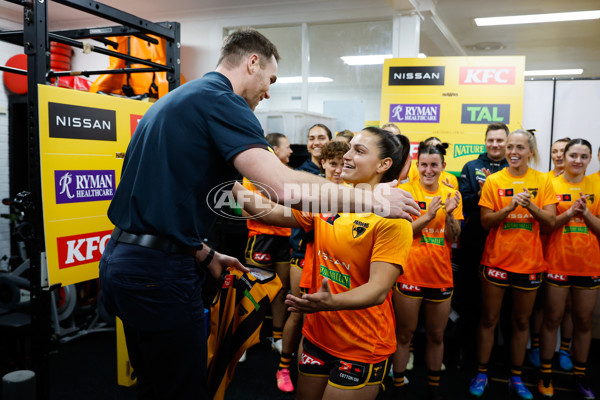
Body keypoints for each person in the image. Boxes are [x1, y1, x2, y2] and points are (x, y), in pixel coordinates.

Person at [98, 28, 419, 400]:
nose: (268, 92)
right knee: (180, 389)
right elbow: (283, 190)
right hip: (158, 273)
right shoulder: (222, 102)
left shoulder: (178, 100)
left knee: (157, 384)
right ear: (253, 62)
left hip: (127, 262)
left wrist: (204, 252)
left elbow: (212, 196)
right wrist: (376, 201)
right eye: (270, 80)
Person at [236, 127, 414, 400]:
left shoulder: (393, 218)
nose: (347, 155)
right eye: (349, 147)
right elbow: (272, 212)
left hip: (362, 346)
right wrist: (230, 183)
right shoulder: (333, 199)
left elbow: (378, 289)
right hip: (317, 335)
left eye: (359, 150)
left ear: (384, 164)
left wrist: (332, 303)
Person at [469, 129, 557, 400]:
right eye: (510, 147)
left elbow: (551, 223)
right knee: (489, 319)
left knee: (521, 323)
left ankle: (516, 378)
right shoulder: (494, 180)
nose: (514, 152)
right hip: (496, 261)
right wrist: (508, 208)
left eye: (520, 147)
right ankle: (481, 373)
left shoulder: (543, 181)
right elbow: (485, 222)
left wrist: (531, 206)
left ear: (530, 151)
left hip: (529, 264)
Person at [275, 140, 350, 393]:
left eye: (343, 164)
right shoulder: (313, 193)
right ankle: (285, 367)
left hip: (338, 269)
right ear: (323, 165)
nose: (338, 170)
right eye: (332, 164)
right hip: (305, 258)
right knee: (299, 314)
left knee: (332, 317)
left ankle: (328, 370)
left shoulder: (357, 195)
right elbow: (288, 218)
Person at [391, 142, 463, 400]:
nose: (429, 170)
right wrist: (430, 215)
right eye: (424, 165)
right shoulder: (405, 191)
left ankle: (434, 388)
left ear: (444, 167)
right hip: (408, 273)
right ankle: (398, 385)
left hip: (440, 276)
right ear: (416, 166)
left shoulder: (451, 195)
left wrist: (451, 214)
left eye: (434, 165)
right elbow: (402, 233)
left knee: (436, 335)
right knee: (404, 334)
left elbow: (453, 237)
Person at [537, 139, 600, 399]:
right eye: (573, 155)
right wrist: (570, 212)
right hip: (557, 263)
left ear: (590, 159)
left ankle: (580, 375)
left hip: (588, 265)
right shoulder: (550, 183)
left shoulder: (597, 184)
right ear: (565, 156)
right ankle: (546, 374)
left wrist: (584, 213)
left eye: (583, 156)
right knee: (552, 319)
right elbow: (546, 226)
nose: (577, 160)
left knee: (584, 321)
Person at [455, 122, 508, 365]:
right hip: (474, 244)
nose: (495, 144)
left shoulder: (514, 169)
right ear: (485, 142)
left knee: (502, 308)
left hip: (506, 248)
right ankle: (466, 354)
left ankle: (497, 358)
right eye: (491, 140)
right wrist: (483, 192)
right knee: (470, 301)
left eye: (500, 140)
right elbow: (463, 203)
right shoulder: (471, 166)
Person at [242, 132, 293, 365]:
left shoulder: (289, 175)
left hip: (284, 240)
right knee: (254, 291)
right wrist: (277, 211)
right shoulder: (252, 173)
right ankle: (242, 342)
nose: (291, 151)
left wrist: (272, 210)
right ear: (273, 149)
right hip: (260, 238)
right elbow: (247, 210)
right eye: (287, 147)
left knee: (281, 290)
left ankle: (277, 337)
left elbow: (293, 211)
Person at [528, 135, 574, 370]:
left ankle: (564, 350)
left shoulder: (578, 182)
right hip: (540, 250)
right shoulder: (542, 180)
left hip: (566, 254)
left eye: (562, 151)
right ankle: (536, 346)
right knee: (540, 305)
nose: (558, 155)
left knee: (566, 307)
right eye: (555, 151)